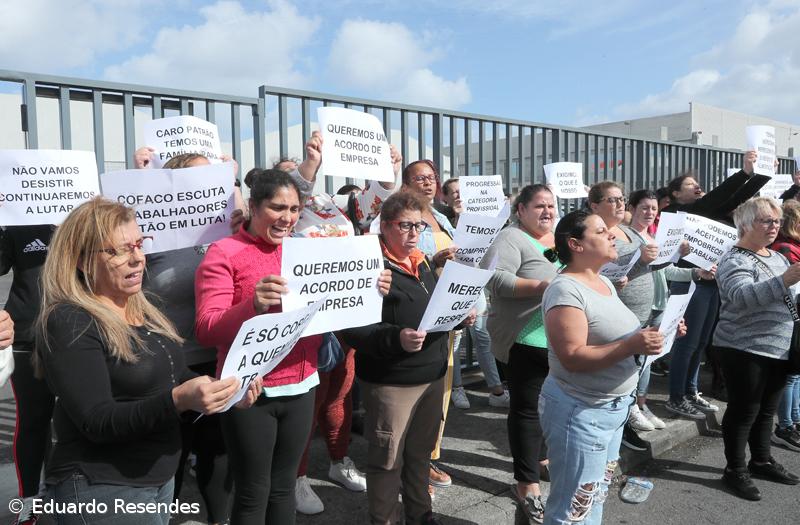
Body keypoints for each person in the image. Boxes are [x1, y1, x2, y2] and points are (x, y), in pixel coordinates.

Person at [35, 198, 259, 525]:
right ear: (83, 261)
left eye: (139, 245)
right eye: (119, 250)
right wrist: (180, 400)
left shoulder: (143, 308)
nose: (137, 258)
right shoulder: (70, 320)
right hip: (103, 487)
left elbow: (175, 373)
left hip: (158, 479)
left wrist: (225, 389)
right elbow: (97, 421)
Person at [540, 208, 682, 524]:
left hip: (612, 409)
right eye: (602, 231)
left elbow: (617, 334)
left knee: (596, 493)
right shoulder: (565, 289)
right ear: (576, 244)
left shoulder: (602, 280)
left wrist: (658, 335)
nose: (612, 235)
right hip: (581, 411)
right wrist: (632, 345)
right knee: (573, 506)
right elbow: (573, 357)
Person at [341, 190, 474, 525]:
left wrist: (458, 316)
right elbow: (351, 329)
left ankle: (420, 514)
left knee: (418, 455)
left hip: (431, 377)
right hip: (392, 382)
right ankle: (384, 519)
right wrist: (395, 338)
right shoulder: (368, 266)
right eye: (406, 226)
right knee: (387, 461)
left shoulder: (423, 261)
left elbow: (431, 312)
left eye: (419, 226)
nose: (415, 234)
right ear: (384, 226)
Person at [285, 131, 401, 515]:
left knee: (340, 394)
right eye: (291, 174)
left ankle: (338, 462)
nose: (302, 178)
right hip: (304, 324)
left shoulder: (333, 204)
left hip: (344, 317)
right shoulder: (286, 212)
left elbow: (376, 204)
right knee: (308, 402)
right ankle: (296, 477)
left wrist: (388, 172)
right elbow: (295, 191)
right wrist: (309, 166)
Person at [141, 153, 240, 525]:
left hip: (218, 359)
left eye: (214, 177)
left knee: (217, 452)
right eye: (201, 177)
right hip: (166, 361)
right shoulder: (150, 235)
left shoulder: (230, 228)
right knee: (171, 456)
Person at [662, 152, 769, 419]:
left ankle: (691, 391)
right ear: (675, 193)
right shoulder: (676, 212)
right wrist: (745, 174)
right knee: (686, 344)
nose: (698, 187)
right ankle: (676, 397)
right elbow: (718, 197)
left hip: (712, 283)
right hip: (690, 283)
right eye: (690, 185)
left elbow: (734, 200)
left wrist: (763, 172)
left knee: (700, 343)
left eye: (698, 183)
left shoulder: (707, 210)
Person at [713, 197, 800, 501]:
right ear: (746, 225)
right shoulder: (734, 259)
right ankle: (735, 470)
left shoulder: (777, 257)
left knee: (766, 411)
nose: (774, 226)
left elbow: (789, 295)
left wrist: (790, 283)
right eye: (766, 221)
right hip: (742, 347)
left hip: (778, 347)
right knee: (744, 411)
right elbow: (739, 298)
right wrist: (784, 280)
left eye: (776, 221)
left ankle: (761, 461)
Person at [482, 184, 560, 523]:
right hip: (525, 338)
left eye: (551, 206)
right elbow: (496, 280)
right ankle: (526, 484)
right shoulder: (509, 239)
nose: (547, 212)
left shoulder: (559, 237)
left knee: (550, 406)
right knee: (527, 411)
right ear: (521, 211)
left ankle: (541, 459)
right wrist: (543, 287)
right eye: (539, 206)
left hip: (558, 338)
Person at [622, 190, 711, 434]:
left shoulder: (654, 237)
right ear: (631, 208)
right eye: (644, 207)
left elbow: (666, 271)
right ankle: (629, 408)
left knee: (648, 359)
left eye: (653, 208)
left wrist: (696, 273)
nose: (650, 212)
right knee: (633, 360)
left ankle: (641, 404)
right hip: (637, 307)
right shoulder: (627, 238)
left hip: (658, 305)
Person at [400, 160, 458, 493]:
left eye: (432, 178)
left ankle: (427, 457)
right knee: (416, 396)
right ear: (406, 184)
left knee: (442, 393)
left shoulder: (442, 217)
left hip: (448, 315)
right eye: (420, 178)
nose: (428, 183)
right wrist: (433, 262)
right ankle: (411, 467)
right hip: (418, 317)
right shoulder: (400, 217)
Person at [437, 176, 509, 410]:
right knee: (455, 341)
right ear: (445, 197)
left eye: (462, 191)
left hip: (476, 283)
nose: (459, 195)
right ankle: (457, 389)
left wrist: (502, 210)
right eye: (453, 192)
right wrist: (459, 217)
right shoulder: (442, 221)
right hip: (454, 284)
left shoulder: (483, 216)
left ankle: (496, 390)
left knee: (483, 337)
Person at [1, 217, 55, 525]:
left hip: (78, 332)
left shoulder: (79, 215)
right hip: (27, 339)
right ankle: (29, 502)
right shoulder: (17, 221)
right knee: (34, 422)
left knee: (79, 420)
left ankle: (67, 494)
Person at [770, 200, 800, 450]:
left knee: (797, 374)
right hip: (792, 314)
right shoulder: (785, 248)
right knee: (790, 375)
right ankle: (785, 425)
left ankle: (795, 419)